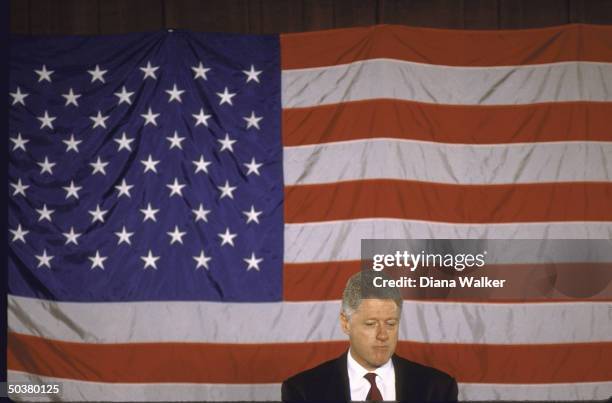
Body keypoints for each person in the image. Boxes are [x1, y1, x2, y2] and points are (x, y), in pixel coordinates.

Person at [282, 271, 458, 402]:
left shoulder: (438, 389)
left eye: (390, 324)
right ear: (345, 323)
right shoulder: (303, 391)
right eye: (371, 324)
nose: (383, 335)